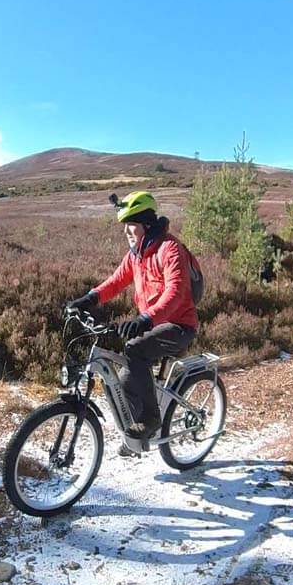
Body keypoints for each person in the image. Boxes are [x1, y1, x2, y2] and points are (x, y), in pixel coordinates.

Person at [66, 191, 199, 456]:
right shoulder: (136, 254)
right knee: (126, 376)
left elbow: (176, 292)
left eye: (132, 226)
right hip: (155, 323)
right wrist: (88, 299)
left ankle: (151, 419)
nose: (127, 231)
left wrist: (145, 319)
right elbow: (116, 282)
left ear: (146, 226)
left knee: (135, 350)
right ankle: (134, 438)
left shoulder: (169, 248)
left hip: (179, 325)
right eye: (125, 226)